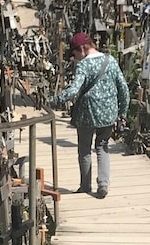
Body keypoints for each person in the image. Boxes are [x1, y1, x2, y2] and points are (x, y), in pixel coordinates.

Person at [50, 33, 130, 198]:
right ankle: (103, 185)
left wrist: (55, 99)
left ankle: (85, 186)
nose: (75, 57)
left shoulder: (83, 66)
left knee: (85, 149)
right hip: (109, 113)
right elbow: (123, 89)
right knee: (102, 147)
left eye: (75, 53)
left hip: (87, 113)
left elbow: (73, 90)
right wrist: (122, 113)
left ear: (81, 49)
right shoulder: (110, 61)